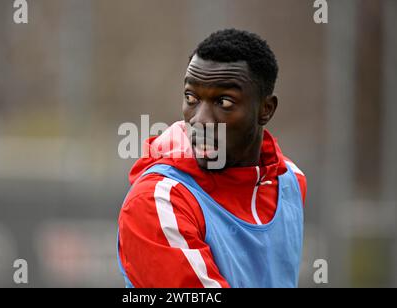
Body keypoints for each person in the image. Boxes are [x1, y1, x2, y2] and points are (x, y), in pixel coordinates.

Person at [117, 29, 307, 288]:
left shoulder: (290, 182)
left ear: (266, 109)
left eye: (224, 102)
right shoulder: (157, 201)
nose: (200, 119)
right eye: (191, 98)